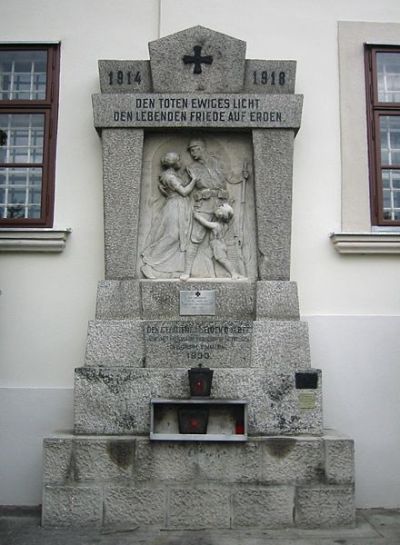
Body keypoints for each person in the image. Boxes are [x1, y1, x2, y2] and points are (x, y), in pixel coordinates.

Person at [141, 152, 197, 279]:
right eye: (179, 160)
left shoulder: (172, 175)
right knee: (172, 236)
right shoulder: (170, 177)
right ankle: (149, 264)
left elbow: (172, 193)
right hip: (175, 206)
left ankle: (172, 268)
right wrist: (194, 179)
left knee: (180, 237)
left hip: (179, 205)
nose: (181, 162)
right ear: (174, 163)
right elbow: (184, 192)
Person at [180, 138, 230, 280]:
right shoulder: (191, 168)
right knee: (196, 237)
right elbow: (185, 186)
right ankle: (187, 272)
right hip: (205, 204)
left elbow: (228, 179)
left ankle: (229, 272)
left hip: (221, 203)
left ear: (200, 148)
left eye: (193, 149)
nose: (191, 152)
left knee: (222, 237)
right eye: (190, 150)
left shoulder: (217, 162)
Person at [193, 203, 244, 279]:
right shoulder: (226, 225)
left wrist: (197, 216)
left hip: (217, 245)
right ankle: (212, 276)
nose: (219, 207)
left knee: (223, 260)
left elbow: (205, 223)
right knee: (207, 256)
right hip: (215, 244)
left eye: (220, 207)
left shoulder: (216, 225)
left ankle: (234, 273)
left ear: (220, 215)